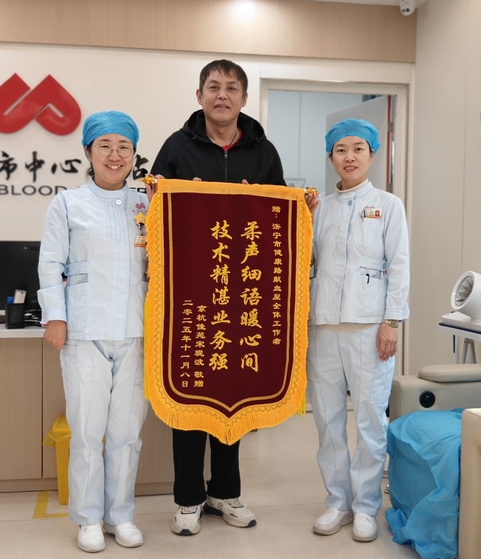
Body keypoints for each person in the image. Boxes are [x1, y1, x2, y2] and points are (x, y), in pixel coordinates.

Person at [149, 59, 288, 536]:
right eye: (213, 87)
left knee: (235, 392)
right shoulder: (176, 146)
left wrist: (290, 206)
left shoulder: (263, 150)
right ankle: (188, 499)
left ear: (244, 99)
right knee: (189, 395)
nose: (222, 95)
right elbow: (151, 209)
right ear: (199, 95)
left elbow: (280, 220)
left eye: (231, 88)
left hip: (242, 293)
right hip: (189, 294)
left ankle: (225, 493)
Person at [38, 111, 150, 553]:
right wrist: (55, 316)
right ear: (88, 152)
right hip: (85, 332)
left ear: (134, 155)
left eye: (124, 147)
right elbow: (51, 263)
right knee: (87, 431)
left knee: (127, 432)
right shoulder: (68, 203)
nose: (115, 155)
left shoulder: (148, 204)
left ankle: (120, 515)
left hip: (137, 333)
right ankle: (87, 518)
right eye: (105, 146)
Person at [305, 118, 409, 543]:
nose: (349, 157)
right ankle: (337, 502)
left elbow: (399, 265)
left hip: (370, 329)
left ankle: (366, 506)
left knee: (369, 419)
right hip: (323, 327)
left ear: (372, 154)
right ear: (331, 157)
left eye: (358, 149)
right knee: (327, 420)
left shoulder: (388, 205)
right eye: (341, 150)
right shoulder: (319, 208)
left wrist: (392, 322)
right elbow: (303, 261)